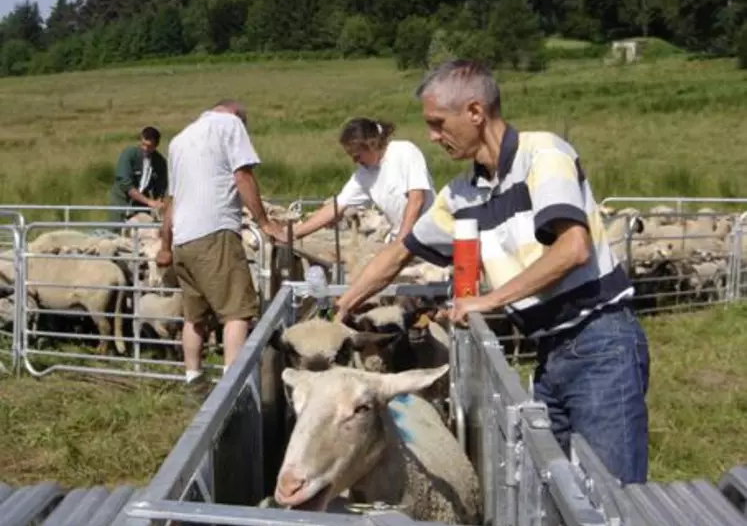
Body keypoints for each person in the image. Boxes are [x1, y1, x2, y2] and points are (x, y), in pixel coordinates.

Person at [333, 59, 650, 486]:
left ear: (476, 113)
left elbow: (572, 248)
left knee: (609, 498)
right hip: (550, 354)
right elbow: (399, 254)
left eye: (438, 123)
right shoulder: (463, 195)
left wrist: (489, 300)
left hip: (599, 343)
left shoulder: (544, 153)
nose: (432, 136)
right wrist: (343, 306)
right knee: (556, 495)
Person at [155, 100, 286, 393]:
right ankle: (233, 389)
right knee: (237, 311)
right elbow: (243, 175)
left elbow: (171, 200)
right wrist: (264, 222)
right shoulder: (230, 125)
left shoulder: (179, 139)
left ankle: (193, 379)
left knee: (194, 316)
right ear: (237, 115)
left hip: (184, 239)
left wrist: (165, 244)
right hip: (214, 231)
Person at [293, 118, 436, 243]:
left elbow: (417, 199)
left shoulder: (404, 151)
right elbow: (336, 206)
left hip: (427, 237)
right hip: (400, 240)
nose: (355, 161)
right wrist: (294, 233)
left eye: (357, 156)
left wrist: (402, 240)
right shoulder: (363, 176)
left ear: (371, 144)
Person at [109, 126, 168, 223]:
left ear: (156, 145)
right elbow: (125, 183)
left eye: (149, 147)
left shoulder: (159, 162)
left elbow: (161, 186)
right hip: (122, 201)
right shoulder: (129, 154)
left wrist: (158, 202)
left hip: (141, 204)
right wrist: (149, 202)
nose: (145, 149)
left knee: (144, 229)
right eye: (143, 144)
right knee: (116, 232)